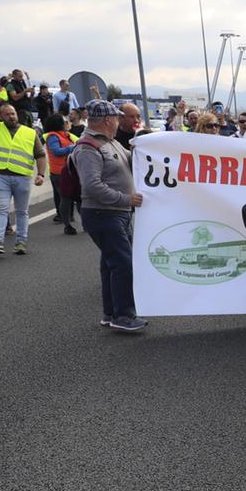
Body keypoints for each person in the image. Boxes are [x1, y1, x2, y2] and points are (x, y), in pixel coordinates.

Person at [73, 100, 146, 333]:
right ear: (107, 120)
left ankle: (111, 312)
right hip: (103, 213)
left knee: (110, 264)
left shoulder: (110, 142)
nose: (118, 121)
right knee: (123, 264)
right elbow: (92, 185)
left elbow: (132, 159)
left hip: (116, 214)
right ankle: (123, 315)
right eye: (116, 117)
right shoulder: (88, 147)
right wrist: (125, 199)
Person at [0, 102, 47, 256]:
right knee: (1, 209)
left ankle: (21, 242)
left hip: (22, 178)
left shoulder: (30, 133)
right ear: (1, 117)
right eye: (7, 114)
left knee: (21, 211)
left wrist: (41, 174)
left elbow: (40, 155)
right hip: (0, 177)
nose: (11, 116)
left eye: (13, 113)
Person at [42, 112, 79, 235]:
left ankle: (83, 223)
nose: (66, 123)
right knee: (66, 198)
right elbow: (56, 151)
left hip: (71, 170)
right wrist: (72, 148)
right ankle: (67, 224)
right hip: (59, 172)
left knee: (79, 198)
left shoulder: (66, 135)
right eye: (64, 121)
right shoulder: (53, 137)